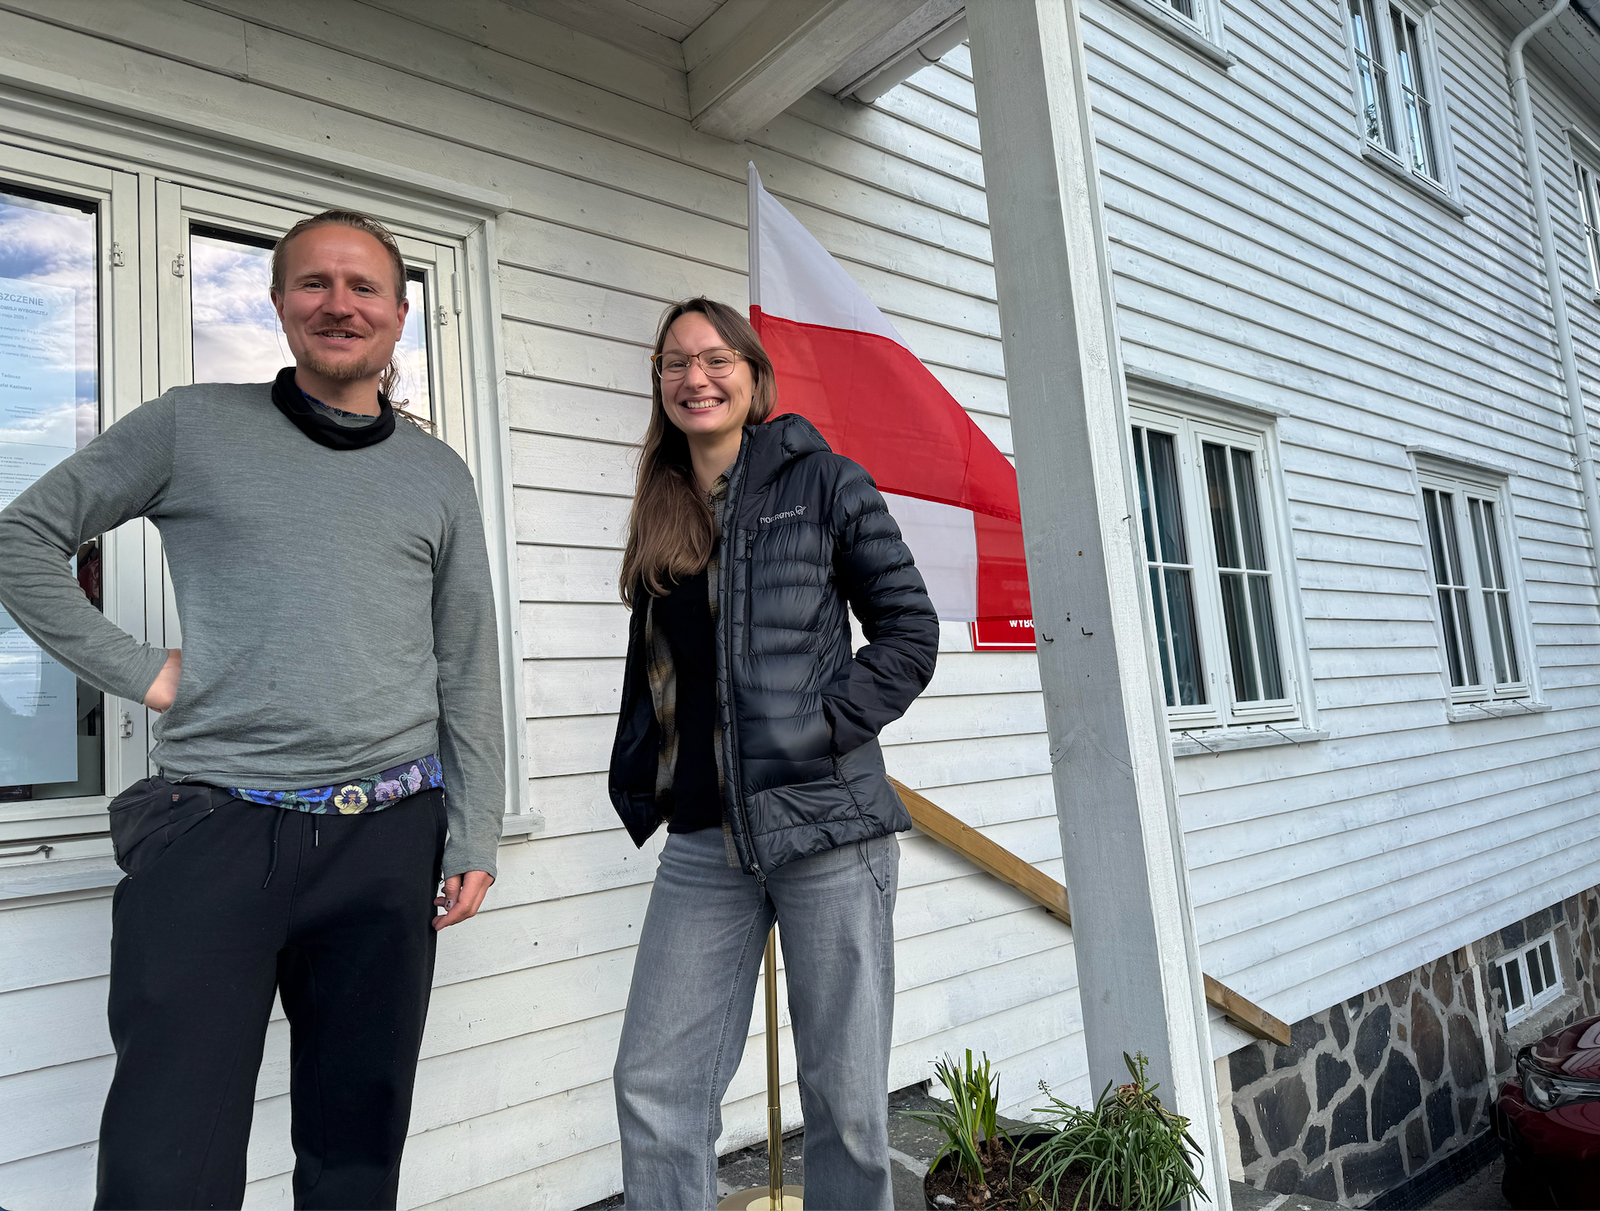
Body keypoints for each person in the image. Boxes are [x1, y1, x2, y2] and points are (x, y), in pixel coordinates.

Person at [0, 209, 505, 1210]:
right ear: (278, 304)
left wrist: (474, 826)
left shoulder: (437, 473)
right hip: (214, 831)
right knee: (166, 1159)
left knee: (356, 1148)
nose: (338, 302)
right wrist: (144, 669)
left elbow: (466, 657)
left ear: (399, 315)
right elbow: (24, 538)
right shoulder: (191, 425)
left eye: (363, 286)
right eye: (313, 282)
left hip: (388, 835)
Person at [608, 297, 939, 1209]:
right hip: (704, 842)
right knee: (655, 1088)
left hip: (829, 827)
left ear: (753, 379)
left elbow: (909, 633)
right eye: (674, 362)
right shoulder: (662, 503)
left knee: (847, 1105)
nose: (693, 377)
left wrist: (817, 730)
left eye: (715, 359)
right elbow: (668, 673)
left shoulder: (825, 480)